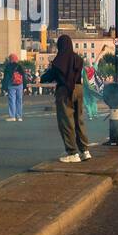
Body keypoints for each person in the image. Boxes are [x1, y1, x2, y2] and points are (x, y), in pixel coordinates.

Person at [41, 34, 89, 163]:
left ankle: (72, 152)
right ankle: (84, 150)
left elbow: (49, 76)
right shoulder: (78, 59)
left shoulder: (58, 60)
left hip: (65, 90)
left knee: (66, 122)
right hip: (79, 89)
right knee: (79, 120)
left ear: (60, 45)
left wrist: (42, 77)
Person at [3, 53, 26, 121]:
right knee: (19, 100)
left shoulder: (8, 66)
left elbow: (6, 77)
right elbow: (23, 76)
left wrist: (4, 87)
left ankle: (12, 116)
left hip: (11, 84)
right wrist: (24, 86)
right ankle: (19, 117)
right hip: (20, 85)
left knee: (12, 100)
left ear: (10, 59)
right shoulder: (20, 66)